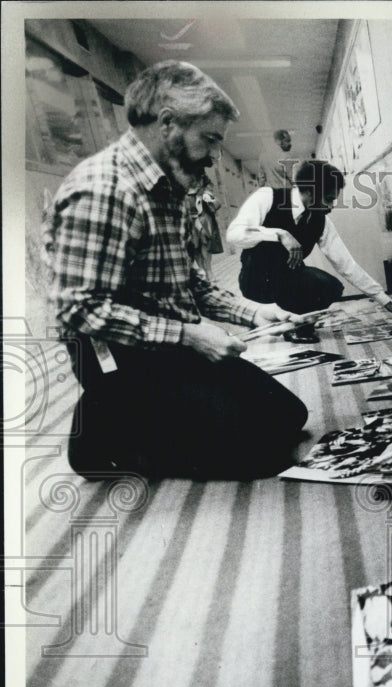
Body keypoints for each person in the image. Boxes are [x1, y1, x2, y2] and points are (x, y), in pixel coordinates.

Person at [44, 60, 309, 480]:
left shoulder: (167, 188)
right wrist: (189, 335)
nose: (214, 155)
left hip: (168, 344)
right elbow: (78, 310)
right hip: (119, 356)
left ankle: (122, 416)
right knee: (262, 455)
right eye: (209, 139)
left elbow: (188, 281)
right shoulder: (104, 191)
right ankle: (104, 433)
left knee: (288, 416)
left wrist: (255, 313)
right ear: (168, 123)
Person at [227, 159, 392, 341]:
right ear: (310, 192)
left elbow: (346, 264)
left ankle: (296, 324)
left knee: (329, 286)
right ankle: (288, 319)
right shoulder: (267, 196)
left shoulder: (320, 220)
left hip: (289, 279)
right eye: (328, 199)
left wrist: (384, 300)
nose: (332, 206)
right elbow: (234, 235)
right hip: (256, 281)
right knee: (308, 283)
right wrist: (279, 234)